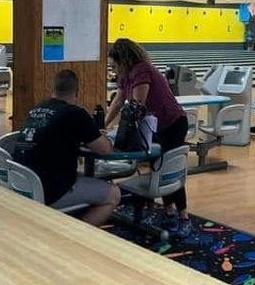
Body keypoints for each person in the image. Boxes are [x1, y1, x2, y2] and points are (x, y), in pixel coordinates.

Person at [17, 69, 121, 225]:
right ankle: (76, 236)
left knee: (80, 176)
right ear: (77, 92)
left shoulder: (36, 109)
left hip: (21, 185)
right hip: (49, 191)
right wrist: (103, 136)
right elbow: (105, 149)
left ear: (54, 89)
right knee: (113, 194)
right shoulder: (76, 114)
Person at [106, 39, 192, 230]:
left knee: (168, 168)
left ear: (124, 60)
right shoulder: (126, 75)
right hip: (155, 126)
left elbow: (138, 106)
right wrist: (104, 125)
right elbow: (119, 101)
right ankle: (169, 212)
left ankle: (184, 218)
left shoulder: (141, 70)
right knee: (157, 165)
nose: (114, 70)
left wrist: (121, 130)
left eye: (114, 66)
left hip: (173, 124)